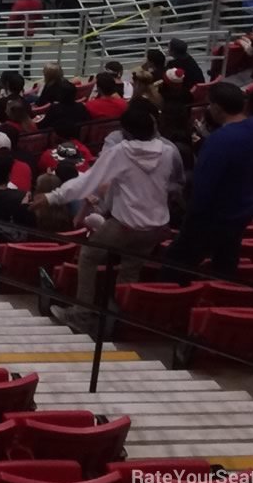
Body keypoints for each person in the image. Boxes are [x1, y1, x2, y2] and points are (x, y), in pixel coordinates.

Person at [46, 100, 178, 333]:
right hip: (156, 226)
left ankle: (83, 314)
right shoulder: (169, 152)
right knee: (131, 266)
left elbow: (89, 181)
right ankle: (120, 320)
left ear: (125, 132)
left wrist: (53, 197)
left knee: (88, 256)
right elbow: (175, 185)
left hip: (126, 224)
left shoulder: (121, 152)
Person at [168, 81, 253, 273]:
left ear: (217, 107)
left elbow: (202, 188)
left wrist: (191, 217)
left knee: (176, 266)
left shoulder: (219, 141)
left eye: (209, 104)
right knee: (225, 263)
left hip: (213, 217)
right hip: (243, 209)